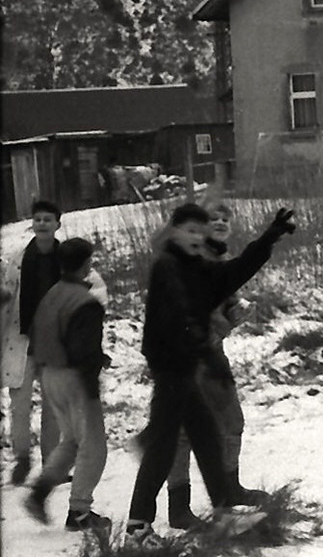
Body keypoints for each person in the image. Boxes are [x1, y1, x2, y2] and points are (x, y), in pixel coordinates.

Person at [123, 202, 297, 547]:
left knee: (204, 436)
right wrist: (206, 352)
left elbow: (231, 274)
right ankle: (137, 528)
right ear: (173, 231)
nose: (195, 237)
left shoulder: (192, 265)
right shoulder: (167, 266)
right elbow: (178, 314)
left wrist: (269, 238)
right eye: (188, 230)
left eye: (198, 232)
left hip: (185, 365)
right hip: (171, 365)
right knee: (164, 447)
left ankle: (223, 512)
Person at [165, 197, 256, 528]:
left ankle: (230, 488)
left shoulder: (219, 258)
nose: (219, 223)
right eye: (213, 219)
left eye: (225, 220)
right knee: (187, 433)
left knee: (228, 423)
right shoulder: (194, 260)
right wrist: (228, 321)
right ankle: (180, 506)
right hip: (193, 357)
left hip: (212, 353)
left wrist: (236, 312)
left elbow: (222, 305)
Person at [24, 237, 111, 533]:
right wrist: (91, 384)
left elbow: (43, 333)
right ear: (87, 264)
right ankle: (80, 512)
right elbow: (82, 348)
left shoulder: (52, 294)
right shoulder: (85, 302)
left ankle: (39, 492)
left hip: (49, 373)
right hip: (75, 377)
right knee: (94, 445)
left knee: (72, 441)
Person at [3, 199, 66, 485]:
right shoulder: (17, 259)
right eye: (38, 219)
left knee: (54, 406)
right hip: (22, 340)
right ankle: (22, 459)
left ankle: (51, 464)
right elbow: (5, 302)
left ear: (57, 224)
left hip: (54, 343)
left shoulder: (66, 258)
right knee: (20, 405)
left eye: (48, 219)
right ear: (32, 223)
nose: (42, 224)